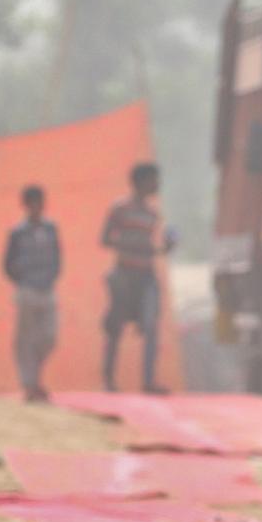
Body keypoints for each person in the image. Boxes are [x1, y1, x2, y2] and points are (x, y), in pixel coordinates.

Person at [100, 162, 176, 394]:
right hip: (123, 274)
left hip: (146, 275)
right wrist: (130, 244)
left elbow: (156, 247)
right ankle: (109, 380)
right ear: (141, 181)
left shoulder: (153, 214)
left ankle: (148, 381)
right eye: (153, 179)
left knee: (151, 325)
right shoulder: (120, 208)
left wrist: (167, 247)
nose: (156, 185)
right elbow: (104, 239)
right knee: (116, 327)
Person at [3, 185, 62, 402]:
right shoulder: (17, 233)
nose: (38, 206)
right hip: (27, 290)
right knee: (25, 339)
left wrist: (51, 277)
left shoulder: (50, 229)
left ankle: (35, 377)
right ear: (26, 205)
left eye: (40, 202)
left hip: (47, 289)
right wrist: (21, 280)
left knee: (49, 337)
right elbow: (7, 264)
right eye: (33, 202)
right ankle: (30, 384)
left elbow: (57, 258)